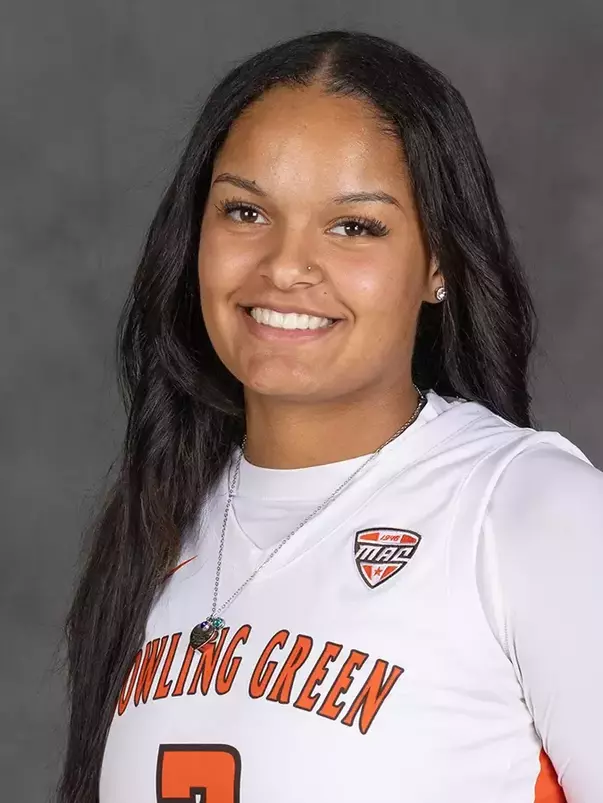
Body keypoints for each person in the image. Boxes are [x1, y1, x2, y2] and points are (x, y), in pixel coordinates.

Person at [58, 29, 603, 803]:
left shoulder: (527, 509)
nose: (284, 266)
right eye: (245, 211)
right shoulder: (157, 525)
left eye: (353, 226)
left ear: (438, 262)